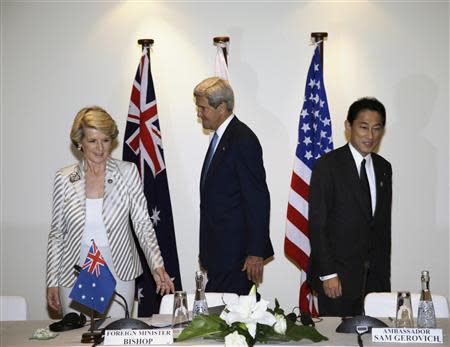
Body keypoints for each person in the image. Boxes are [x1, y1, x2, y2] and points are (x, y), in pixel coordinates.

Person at [46, 106, 174, 317]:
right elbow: (57, 233)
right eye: (92, 141)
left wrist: (157, 265)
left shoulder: (128, 172)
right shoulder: (64, 178)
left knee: (116, 336)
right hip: (74, 270)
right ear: (80, 142)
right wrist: (52, 280)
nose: (100, 148)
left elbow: (142, 224)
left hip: (118, 268)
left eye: (105, 140)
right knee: (78, 337)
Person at [308, 97, 392, 317]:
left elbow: (382, 228)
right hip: (338, 281)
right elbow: (318, 225)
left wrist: (384, 278)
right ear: (348, 126)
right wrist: (328, 275)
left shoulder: (384, 168)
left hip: (375, 283)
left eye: (377, 128)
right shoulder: (327, 166)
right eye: (363, 127)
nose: (370, 136)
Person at [193, 77, 274, 295]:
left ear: (221, 107)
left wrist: (256, 252)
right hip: (221, 255)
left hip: (237, 258)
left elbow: (257, 199)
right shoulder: (222, 138)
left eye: (202, 108)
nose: (199, 113)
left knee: (228, 321)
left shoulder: (242, 139)